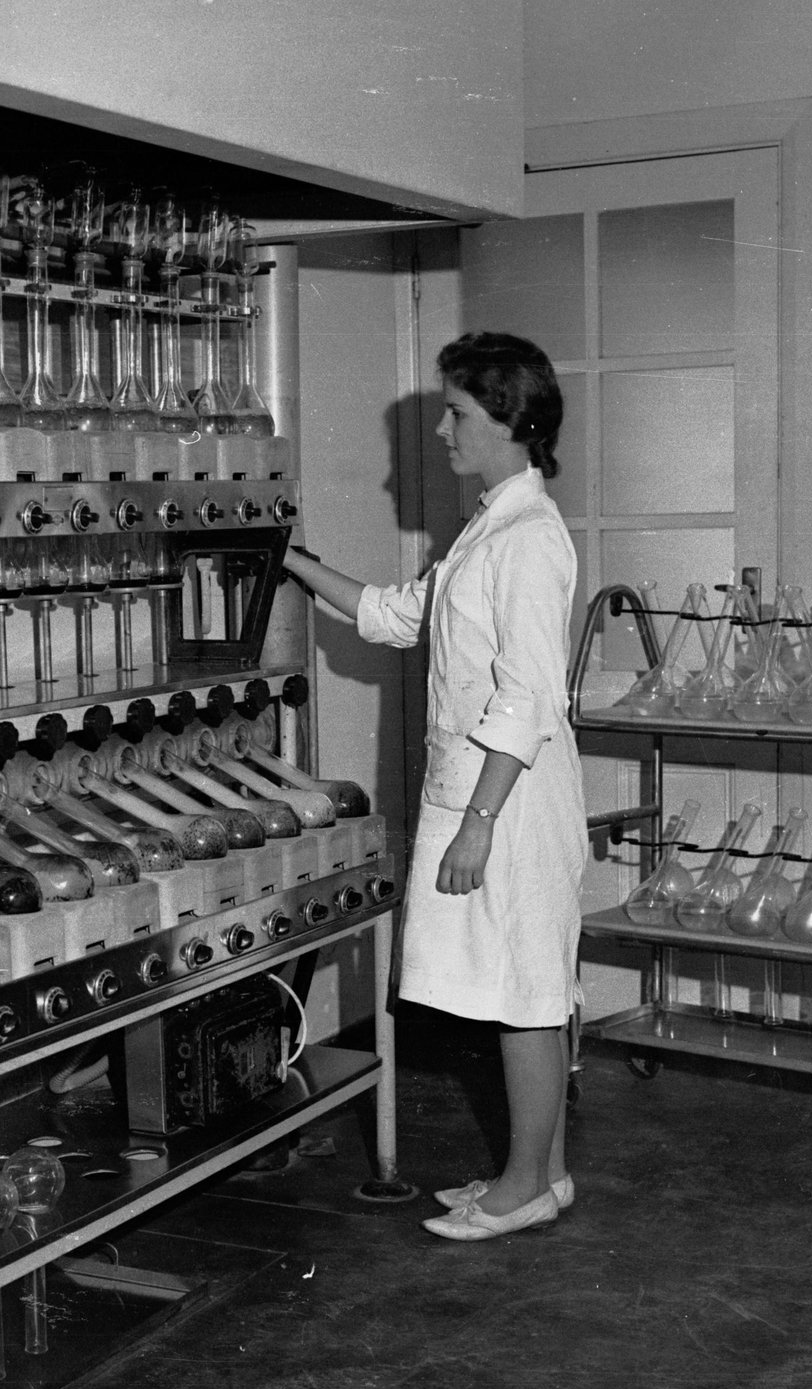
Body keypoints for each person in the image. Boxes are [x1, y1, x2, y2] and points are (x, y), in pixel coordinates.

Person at [282, 331, 587, 1242]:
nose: (444, 430)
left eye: (457, 413)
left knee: (523, 999)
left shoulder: (529, 539)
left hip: (511, 798)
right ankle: (545, 1174)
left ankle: (523, 1186)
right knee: (520, 989)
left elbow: (529, 694)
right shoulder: (487, 527)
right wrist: (290, 560)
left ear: (509, 420)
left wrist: (478, 824)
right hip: (489, 791)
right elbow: (397, 616)